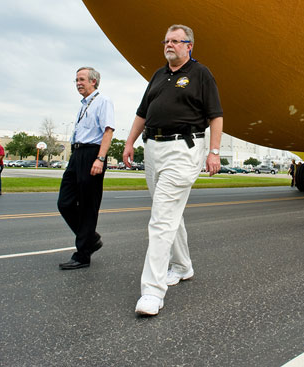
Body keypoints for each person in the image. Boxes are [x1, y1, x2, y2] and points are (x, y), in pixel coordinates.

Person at [123, 24, 223, 317]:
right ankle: (182, 266)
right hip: (152, 147)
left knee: (160, 220)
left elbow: (216, 116)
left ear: (189, 46)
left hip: (183, 149)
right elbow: (142, 112)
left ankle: (152, 292)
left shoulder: (200, 74)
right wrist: (129, 143)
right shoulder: (158, 74)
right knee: (167, 212)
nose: (169, 45)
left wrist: (213, 152)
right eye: (166, 40)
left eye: (176, 41)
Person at [57, 67, 115, 270]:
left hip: (92, 154)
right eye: (76, 80)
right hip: (77, 155)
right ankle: (90, 238)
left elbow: (108, 131)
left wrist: (100, 158)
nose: (78, 83)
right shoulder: (83, 105)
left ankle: (82, 255)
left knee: (88, 205)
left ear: (93, 81)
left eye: (81, 79)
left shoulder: (103, 101)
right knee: (65, 202)